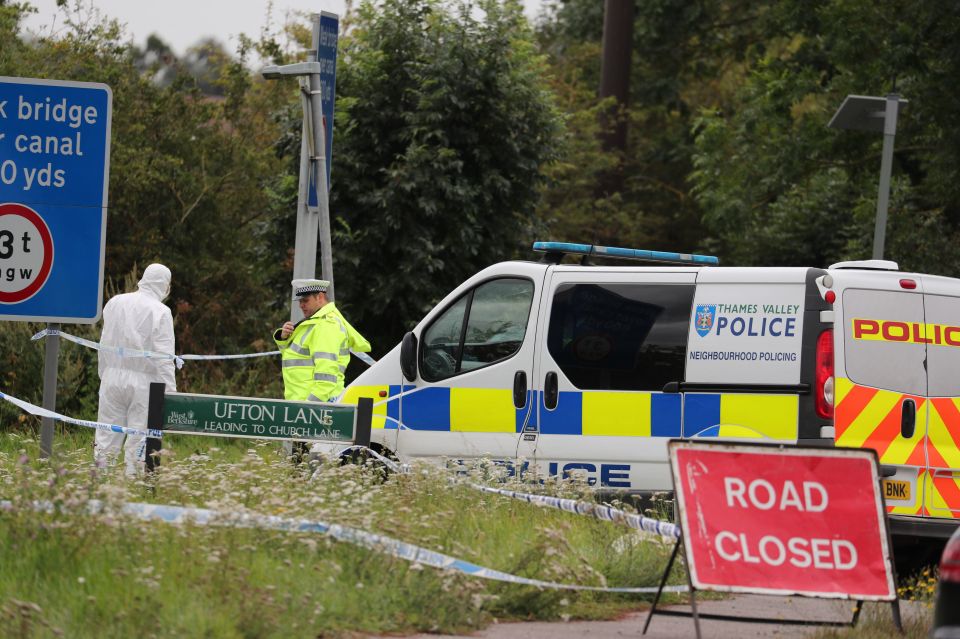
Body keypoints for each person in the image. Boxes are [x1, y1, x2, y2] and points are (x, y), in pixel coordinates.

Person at [94, 263, 177, 476]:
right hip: (144, 384)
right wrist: (170, 395)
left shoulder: (115, 302)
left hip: (112, 377)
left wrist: (104, 374)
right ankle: (134, 490)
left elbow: (103, 344)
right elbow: (164, 358)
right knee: (139, 441)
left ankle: (98, 486)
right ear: (164, 285)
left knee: (105, 438)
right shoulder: (161, 311)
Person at [273, 279, 371, 402]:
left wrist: (311, 405)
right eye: (300, 301)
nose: (301, 305)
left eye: (305, 300)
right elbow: (293, 358)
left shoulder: (326, 325)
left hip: (316, 404)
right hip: (305, 403)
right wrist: (284, 338)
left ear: (319, 297)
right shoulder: (313, 323)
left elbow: (326, 376)